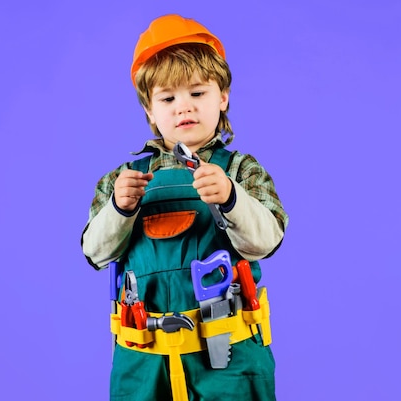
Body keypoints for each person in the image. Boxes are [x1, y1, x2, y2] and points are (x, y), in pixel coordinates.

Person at [81, 14, 289, 401]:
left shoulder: (241, 170)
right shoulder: (122, 179)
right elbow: (95, 252)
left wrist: (230, 198)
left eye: (197, 93)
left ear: (222, 96)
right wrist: (119, 209)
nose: (183, 108)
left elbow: (267, 240)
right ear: (149, 109)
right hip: (143, 362)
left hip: (228, 358)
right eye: (168, 98)